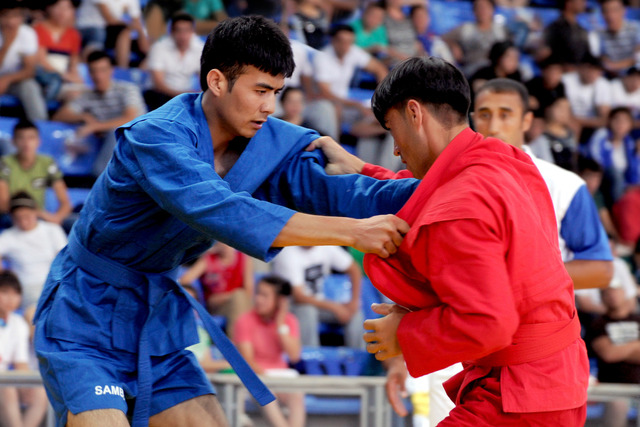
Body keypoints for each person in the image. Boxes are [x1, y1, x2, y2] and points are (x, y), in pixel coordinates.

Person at [33, 15, 417, 427]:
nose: (269, 106)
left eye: (277, 92)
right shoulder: (157, 136)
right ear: (217, 82)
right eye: (260, 90)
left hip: (155, 320)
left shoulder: (269, 144)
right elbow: (224, 211)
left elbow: (346, 194)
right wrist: (353, 233)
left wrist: (458, 177)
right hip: (84, 315)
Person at [309, 62, 596, 424]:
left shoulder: (460, 204)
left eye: (393, 131)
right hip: (555, 379)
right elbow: (430, 190)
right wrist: (363, 170)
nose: (396, 150)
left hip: (518, 392)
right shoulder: (507, 160)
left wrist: (405, 333)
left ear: (414, 112)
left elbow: (488, 322)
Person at [52, 50, 147, 177]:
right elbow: (59, 116)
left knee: (118, 131)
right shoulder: (87, 95)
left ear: (111, 71)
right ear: (89, 73)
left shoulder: (127, 89)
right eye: (94, 71)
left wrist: (95, 126)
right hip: (114, 149)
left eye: (102, 70)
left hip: (140, 141)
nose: (98, 75)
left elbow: (130, 119)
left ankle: (100, 177)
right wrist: (83, 116)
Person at [234, 275, 305, 427]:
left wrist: (280, 323)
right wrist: (266, 379)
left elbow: (294, 356)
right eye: (258, 293)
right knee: (268, 393)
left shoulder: (289, 320)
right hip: (256, 379)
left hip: (280, 378)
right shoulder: (244, 320)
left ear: (279, 300)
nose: (258, 299)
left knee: (297, 394)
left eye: (265, 295)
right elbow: (248, 360)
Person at [271, 245, 364, 349]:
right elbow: (299, 297)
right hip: (289, 307)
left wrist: (354, 302)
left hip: (318, 304)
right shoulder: (287, 252)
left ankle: (358, 359)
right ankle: (310, 359)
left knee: (354, 313)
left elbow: (354, 269)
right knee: (307, 310)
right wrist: (335, 307)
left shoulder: (324, 245)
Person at [0, 191, 67, 309]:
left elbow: (64, 260)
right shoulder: (8, 236)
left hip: (52, 284)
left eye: (27, 216)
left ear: (35, 212)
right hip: (24, 289)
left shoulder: (52, 230)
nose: (23, 222)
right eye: (18, 218)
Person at [587, 282, 640, 427]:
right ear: (602, 297)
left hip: (637, 383)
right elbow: (608, 354)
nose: (613, 296)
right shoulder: (598, 323)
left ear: (624, 293)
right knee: (617, 406)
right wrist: (636, 344)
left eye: (616, 291)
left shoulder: (637, 319)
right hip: (612, 387)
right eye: (608, 293)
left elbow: (613, 352)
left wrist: (619, 349)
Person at [0, 119, 72, 225]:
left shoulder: (47, 162)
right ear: (13, 141)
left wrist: (56, 218)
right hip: (14, 216)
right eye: (21, 138)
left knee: (77, 224)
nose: (26, 143)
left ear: (39, 141)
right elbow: (3, 205)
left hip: (40, 217)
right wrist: (32, 213)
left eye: (31, 138)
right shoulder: (4, 163)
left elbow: (65, 202)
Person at [0, 271, 48, 427]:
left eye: (15, 294)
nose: (10, 299)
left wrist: (26, 387)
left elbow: (21, 363)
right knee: (7, 390)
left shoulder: (18, 324)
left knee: (40, 393)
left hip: (5, 379)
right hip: (3, 382)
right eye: (5, 292)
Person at [179, 241, 254, 338]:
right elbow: (185, 280)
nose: (225, 245)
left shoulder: (243, 258)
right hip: (216, 304)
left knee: (239, 299)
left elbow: (248, 290)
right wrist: (206, 253)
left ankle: (241, 342)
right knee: (238, 296)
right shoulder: (209, 259)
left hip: (238, 302)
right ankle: (242, 343)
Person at [145, 12, 204, 110]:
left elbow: (204, 79)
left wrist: (200, 94)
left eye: (187, 30)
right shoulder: (159, 48)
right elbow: (158, 84)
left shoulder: (200, 48)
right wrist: (184, 95)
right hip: (161, 94)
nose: (183, 35)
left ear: (192, 31)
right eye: (179, 31)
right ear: (172, 32)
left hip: (185, 95)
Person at [0, 1, 48, 122]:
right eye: (6, 15)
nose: (10, 21)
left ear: (22, 17)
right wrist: (6, 44)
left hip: (15, 80)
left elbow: (29, 70)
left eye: (15, 16)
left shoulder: (28, 33)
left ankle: (39, 127)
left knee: (30, 86)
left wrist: (7, 79)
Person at [32, 0, 83, 101]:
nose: (62, 12)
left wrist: (76, 77)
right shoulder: (38, 29)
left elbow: (73, 63)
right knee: (74, 96)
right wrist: (64, 76)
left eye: (67, 8)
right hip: (43, 79)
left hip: (64, 80)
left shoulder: (74, 35)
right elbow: (41, 62)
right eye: (58, 7)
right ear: (49, 8)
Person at [443, 0, 509, 77]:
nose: (482, 11)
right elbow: (441, 38)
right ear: (474, 11)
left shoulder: (501, 30)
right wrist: (453, 45)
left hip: (497, 70)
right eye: (479, 7)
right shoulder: (465, 29)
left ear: (492, 9)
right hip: (472, 70)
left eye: (486, 7)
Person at [75, 0, 149, 68]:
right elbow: (109, 19)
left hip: (110, 30)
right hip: (89, 28)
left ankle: (124, 70)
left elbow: (137, 22)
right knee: (103, 34)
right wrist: (130, 25)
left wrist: (142, 37)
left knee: (128, 34)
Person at [539, 0, 591, 67]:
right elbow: (546, 53)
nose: (584, 3)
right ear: (568, 3)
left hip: (581, 71)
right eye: (580, 1)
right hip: (562, 71)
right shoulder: (555, 28)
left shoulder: (581, 29)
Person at [597, 0, 640, 77]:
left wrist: (613, 66)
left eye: (614, 10)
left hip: (634, 77)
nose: (610, 15)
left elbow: (637, 58)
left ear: (623, 11)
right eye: (606, 11)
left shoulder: (636, 29)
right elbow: (601, 60)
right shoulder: (598, 34)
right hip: (610, 78)